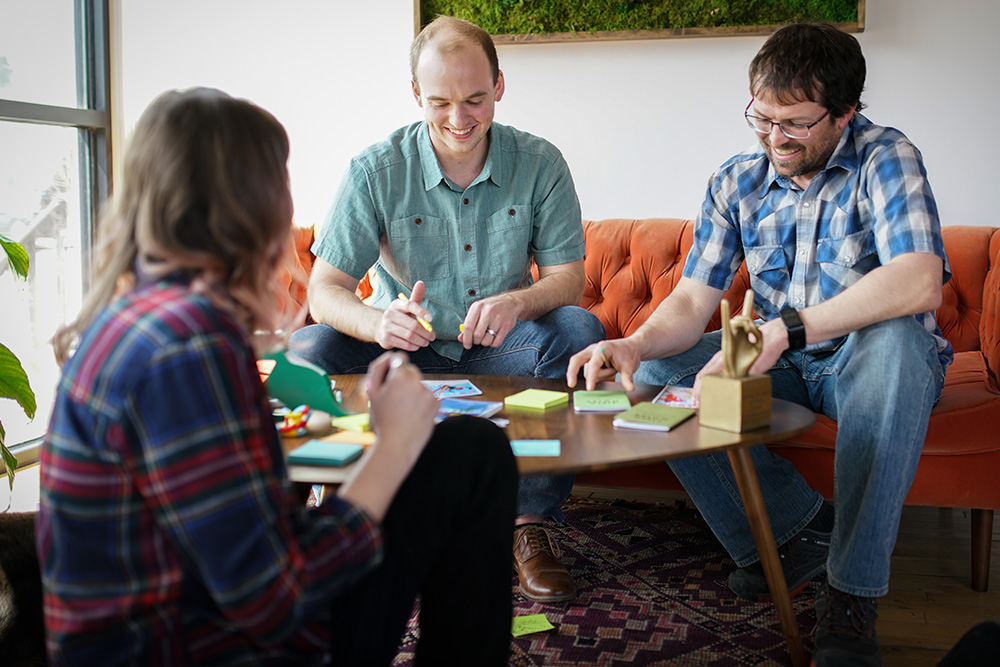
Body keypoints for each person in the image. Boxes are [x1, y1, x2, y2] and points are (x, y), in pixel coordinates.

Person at [37, 87, 518, 666]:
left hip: (180, 622)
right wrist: (392, 450)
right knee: (475, 456)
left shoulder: (140, 317)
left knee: (467, 449)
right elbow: (276, 599)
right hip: (214, 645)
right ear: (254, 202)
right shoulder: (186, 346)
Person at [568, 23, 949, 667]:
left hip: (866, 355)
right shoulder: (737, 179)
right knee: (659, 368)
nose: (775, 138)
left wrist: (786, 329)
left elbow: (918, 280)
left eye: (795, 123)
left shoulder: (887, 156)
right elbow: (691, 302)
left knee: (898, 348)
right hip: (780, 358)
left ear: (844, 113)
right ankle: (796, 532)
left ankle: (851, 599)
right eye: (761, 118)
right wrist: (633, 344)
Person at [288, 15, 605, 603]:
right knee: (307, 350)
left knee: (578, 330)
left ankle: (530, 524)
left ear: (500, 87)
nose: (459, 119)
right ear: (416, 95)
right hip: (396, 347)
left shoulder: (540, 163)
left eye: (475, 100)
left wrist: (518, 301)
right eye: (440, 103)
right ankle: (325, 509)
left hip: (497, 347)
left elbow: (568, 280)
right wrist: (377, 321)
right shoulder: (374, 170)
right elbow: (324, 290)